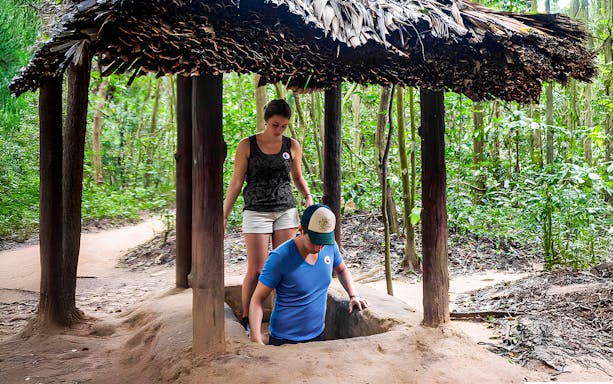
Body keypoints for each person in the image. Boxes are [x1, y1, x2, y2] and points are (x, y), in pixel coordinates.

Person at [223, 99, 313, 334]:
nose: (279, 130)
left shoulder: (292, 145)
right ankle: (246, 317)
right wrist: (224, 215)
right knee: (257, 269)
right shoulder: (247, 145)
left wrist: (308, 195)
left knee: (284, 266)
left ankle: (280, 317)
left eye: (283, 126)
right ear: (266, 121)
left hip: (285, 209)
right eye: (275, 125)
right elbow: (236, 182)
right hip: (256, 210)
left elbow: (297, 177)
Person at [249, 204, 369, 345]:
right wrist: (256, 339)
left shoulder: (330, 246)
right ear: (301, 229)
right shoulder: (279, 257)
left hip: (318, 335)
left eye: (323, 242)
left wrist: (353, 295)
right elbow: (257, 299)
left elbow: (342, 270)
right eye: (315, 241)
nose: (319, 247)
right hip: (284, 339)